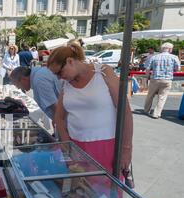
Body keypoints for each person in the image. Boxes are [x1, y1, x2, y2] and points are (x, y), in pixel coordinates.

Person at [47, 41, 133, 180]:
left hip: (106, 147)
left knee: (106, 192)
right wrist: (67, 145)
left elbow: (125, 112)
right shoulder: (66, 83)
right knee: (80, 190)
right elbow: (59, 118)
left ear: (70, 61)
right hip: (76, 146)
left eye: (59, 72)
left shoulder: (104, 72)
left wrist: (126, 149)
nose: (58, 77)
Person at [144, 42, 181, 119]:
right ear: (170, 49)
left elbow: (148, 68)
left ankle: (146, 110)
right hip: (167, 79)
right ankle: (156, 113)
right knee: (162, 97)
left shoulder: (154, 57)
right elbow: (177, 69)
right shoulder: (174, 57)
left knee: (150, 95)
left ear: (162, 49)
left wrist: (147, 77)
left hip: (155, 78)